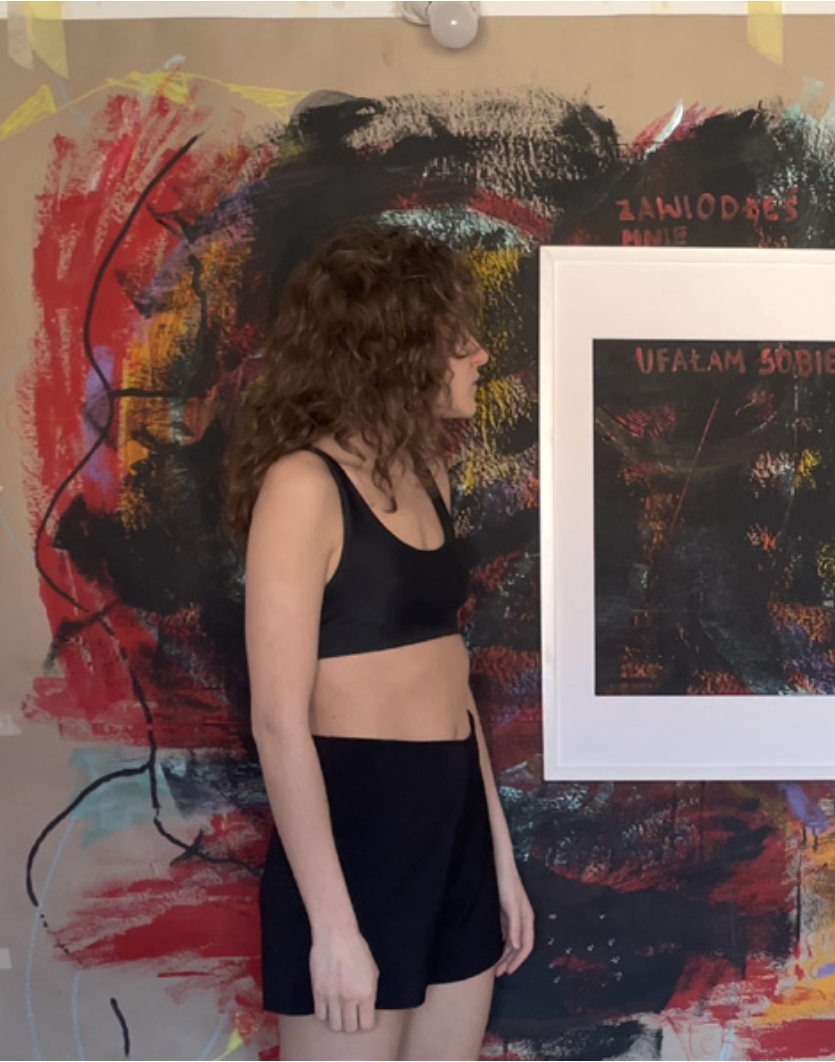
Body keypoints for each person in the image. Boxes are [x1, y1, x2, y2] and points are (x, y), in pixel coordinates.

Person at [224, 224, 533, 1061]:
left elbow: (452, 681)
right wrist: (332, 926)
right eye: (457, 338)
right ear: (394, 347)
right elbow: (278, 722)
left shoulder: (428, 476)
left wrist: (498, 860)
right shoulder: (302, 486)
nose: (478, 355)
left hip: (453, 824)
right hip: (357, 833)